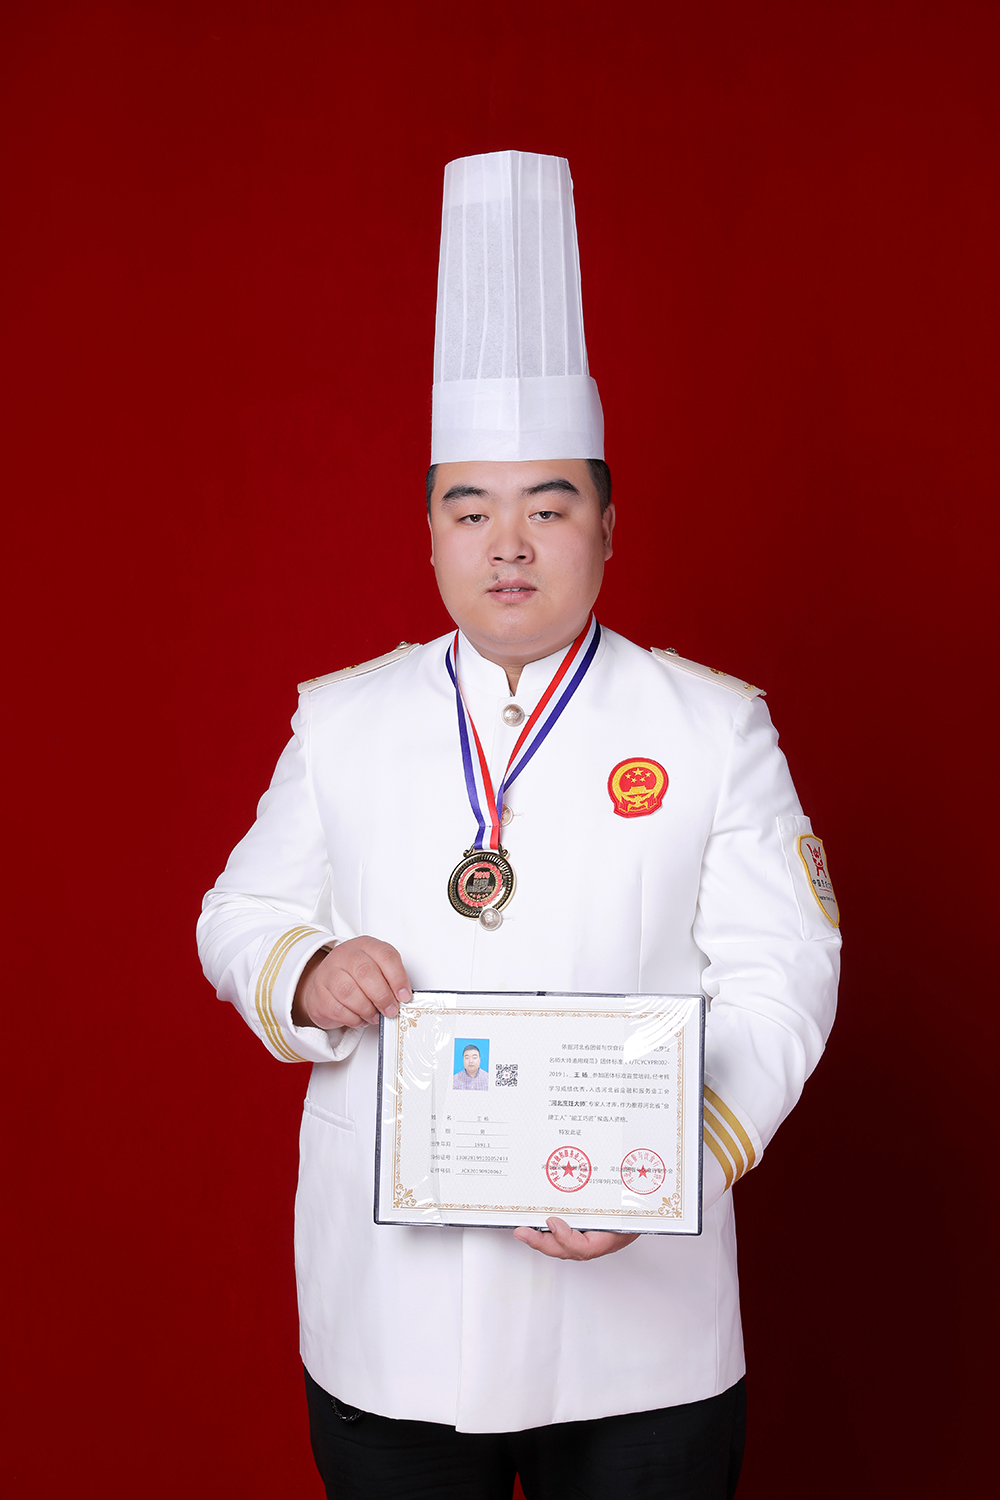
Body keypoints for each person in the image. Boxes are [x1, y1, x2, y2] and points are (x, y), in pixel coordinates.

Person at [197, 150, 840, 1499]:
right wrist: (306, 970)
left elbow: (785, 975)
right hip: (395, 1316)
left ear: (606, 525)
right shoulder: (344, 719)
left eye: (548, 507)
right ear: (429, 532)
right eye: (471, 508)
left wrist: (674, 1160)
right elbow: (239, 913)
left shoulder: (710, 726)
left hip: (639, 1329)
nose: (508, 544)